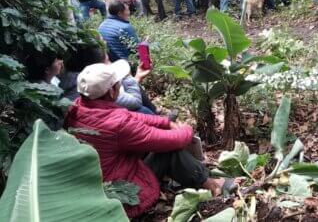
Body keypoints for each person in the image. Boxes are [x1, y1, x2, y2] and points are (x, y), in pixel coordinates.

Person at [64, 62, 236, 218]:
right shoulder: (117, 125)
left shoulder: (79, 107)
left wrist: (165, 121)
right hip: (122, 194)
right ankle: (213, 185)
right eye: (118, 84)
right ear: (111, 91)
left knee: (159, 144)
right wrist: (186, 129)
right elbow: (171, 140)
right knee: (169, 152)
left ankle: (199, 178)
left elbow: (129, 116)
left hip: (98, 184)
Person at [60, 43, 157, 114]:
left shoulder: (67, 81)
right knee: (143, 111)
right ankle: (160, 121)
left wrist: (137, 77)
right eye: (107, 61)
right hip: (104, 131)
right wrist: (127, 76)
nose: (111, 64)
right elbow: (135, 102)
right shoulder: (98, 87)